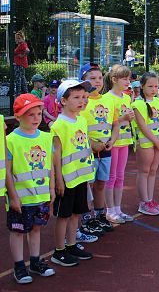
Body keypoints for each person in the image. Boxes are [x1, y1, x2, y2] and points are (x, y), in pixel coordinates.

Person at [5, 94, 55, 283]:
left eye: (38, 114)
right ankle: (19, 266)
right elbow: (7, 172)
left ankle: (35, 262)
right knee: (18, 231)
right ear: (17, 117)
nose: (36, 118)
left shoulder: (45, 138)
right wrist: (13, 196)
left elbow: (49, 167)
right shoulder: (10, 141)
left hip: (40, 196)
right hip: (20, 198)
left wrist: (51, 189)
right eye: (30, 115)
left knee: (36, 229)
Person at [51, 79, 94, 267]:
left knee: (76, 213)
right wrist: (58, 180)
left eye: (84, 97)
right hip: (67, 180)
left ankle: (71, 244)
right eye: (76, 97)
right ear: (63, 101)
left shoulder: (82, 120)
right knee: (64, 215)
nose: (82, 100)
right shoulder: (58, 126)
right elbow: (56, 156)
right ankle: (58, 251)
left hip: (81, 177)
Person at [79, 63, 117, 235]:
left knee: (101, 183)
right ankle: (87, 219)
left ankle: (100, 215)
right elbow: (77, 128)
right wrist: (91, 144)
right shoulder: (81, 102)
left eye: (100, 78)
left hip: (106, 149)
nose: (97, 81)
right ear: (84, 81)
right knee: (88, 185)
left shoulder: (109, 99)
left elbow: (115, 123)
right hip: (88, 152)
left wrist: (112, 140)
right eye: (92, 78)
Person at [132, 72, 159, 215]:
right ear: (142, 86)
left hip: (158, 142)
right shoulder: (137, 104)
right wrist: (156, 141)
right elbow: (143, 127)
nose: (154, 89)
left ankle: (150, 199)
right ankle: (144, 202)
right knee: (144, 171)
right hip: (146, 143)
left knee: (153, 171)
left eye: (156, 86)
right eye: (150, 86)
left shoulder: (158, 101)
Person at [104, 65, 136, 223]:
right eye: (124, 78)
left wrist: (130, 117)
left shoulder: (126, 97)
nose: (127, 81)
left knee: (120, 176)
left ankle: (118, 208)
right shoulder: (107, 98)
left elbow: (127, 118)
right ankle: (109, 210)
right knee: (111, 176)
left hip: (125, 139)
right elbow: (106, 122)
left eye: (128, 78)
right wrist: (123, 118)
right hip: (112, 141)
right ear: (114, 79)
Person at [14, 31, 30, 97]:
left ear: (23, 38)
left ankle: (18, 94)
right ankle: (25, 92)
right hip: (19, 64)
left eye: (19, 38)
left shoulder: (23, 44)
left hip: (20, 64)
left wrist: (22, 55)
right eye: (16, 38)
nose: (17, 40)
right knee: (22, 78)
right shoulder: (20, 44)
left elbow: (27, 50)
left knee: (18, 78)